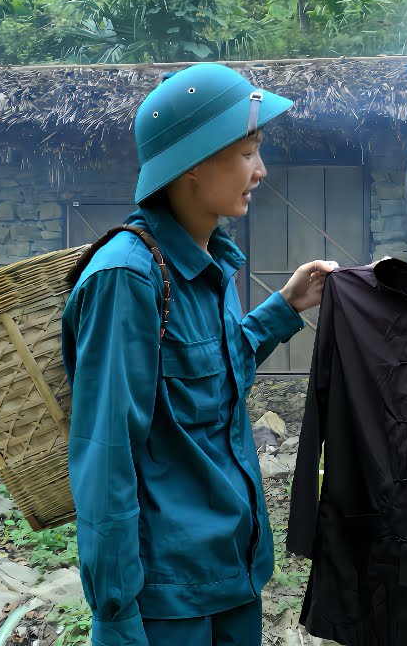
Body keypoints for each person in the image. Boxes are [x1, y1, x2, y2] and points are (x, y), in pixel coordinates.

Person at [62, 63, 336, 646]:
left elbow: (211, 379)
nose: (261, 171)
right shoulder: (127, 279)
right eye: (246, 153)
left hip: (233, 573)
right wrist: (115, 614)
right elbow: (106, 455)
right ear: (191, 163)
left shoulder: (210, 263)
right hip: (167, 596)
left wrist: (285, 306)